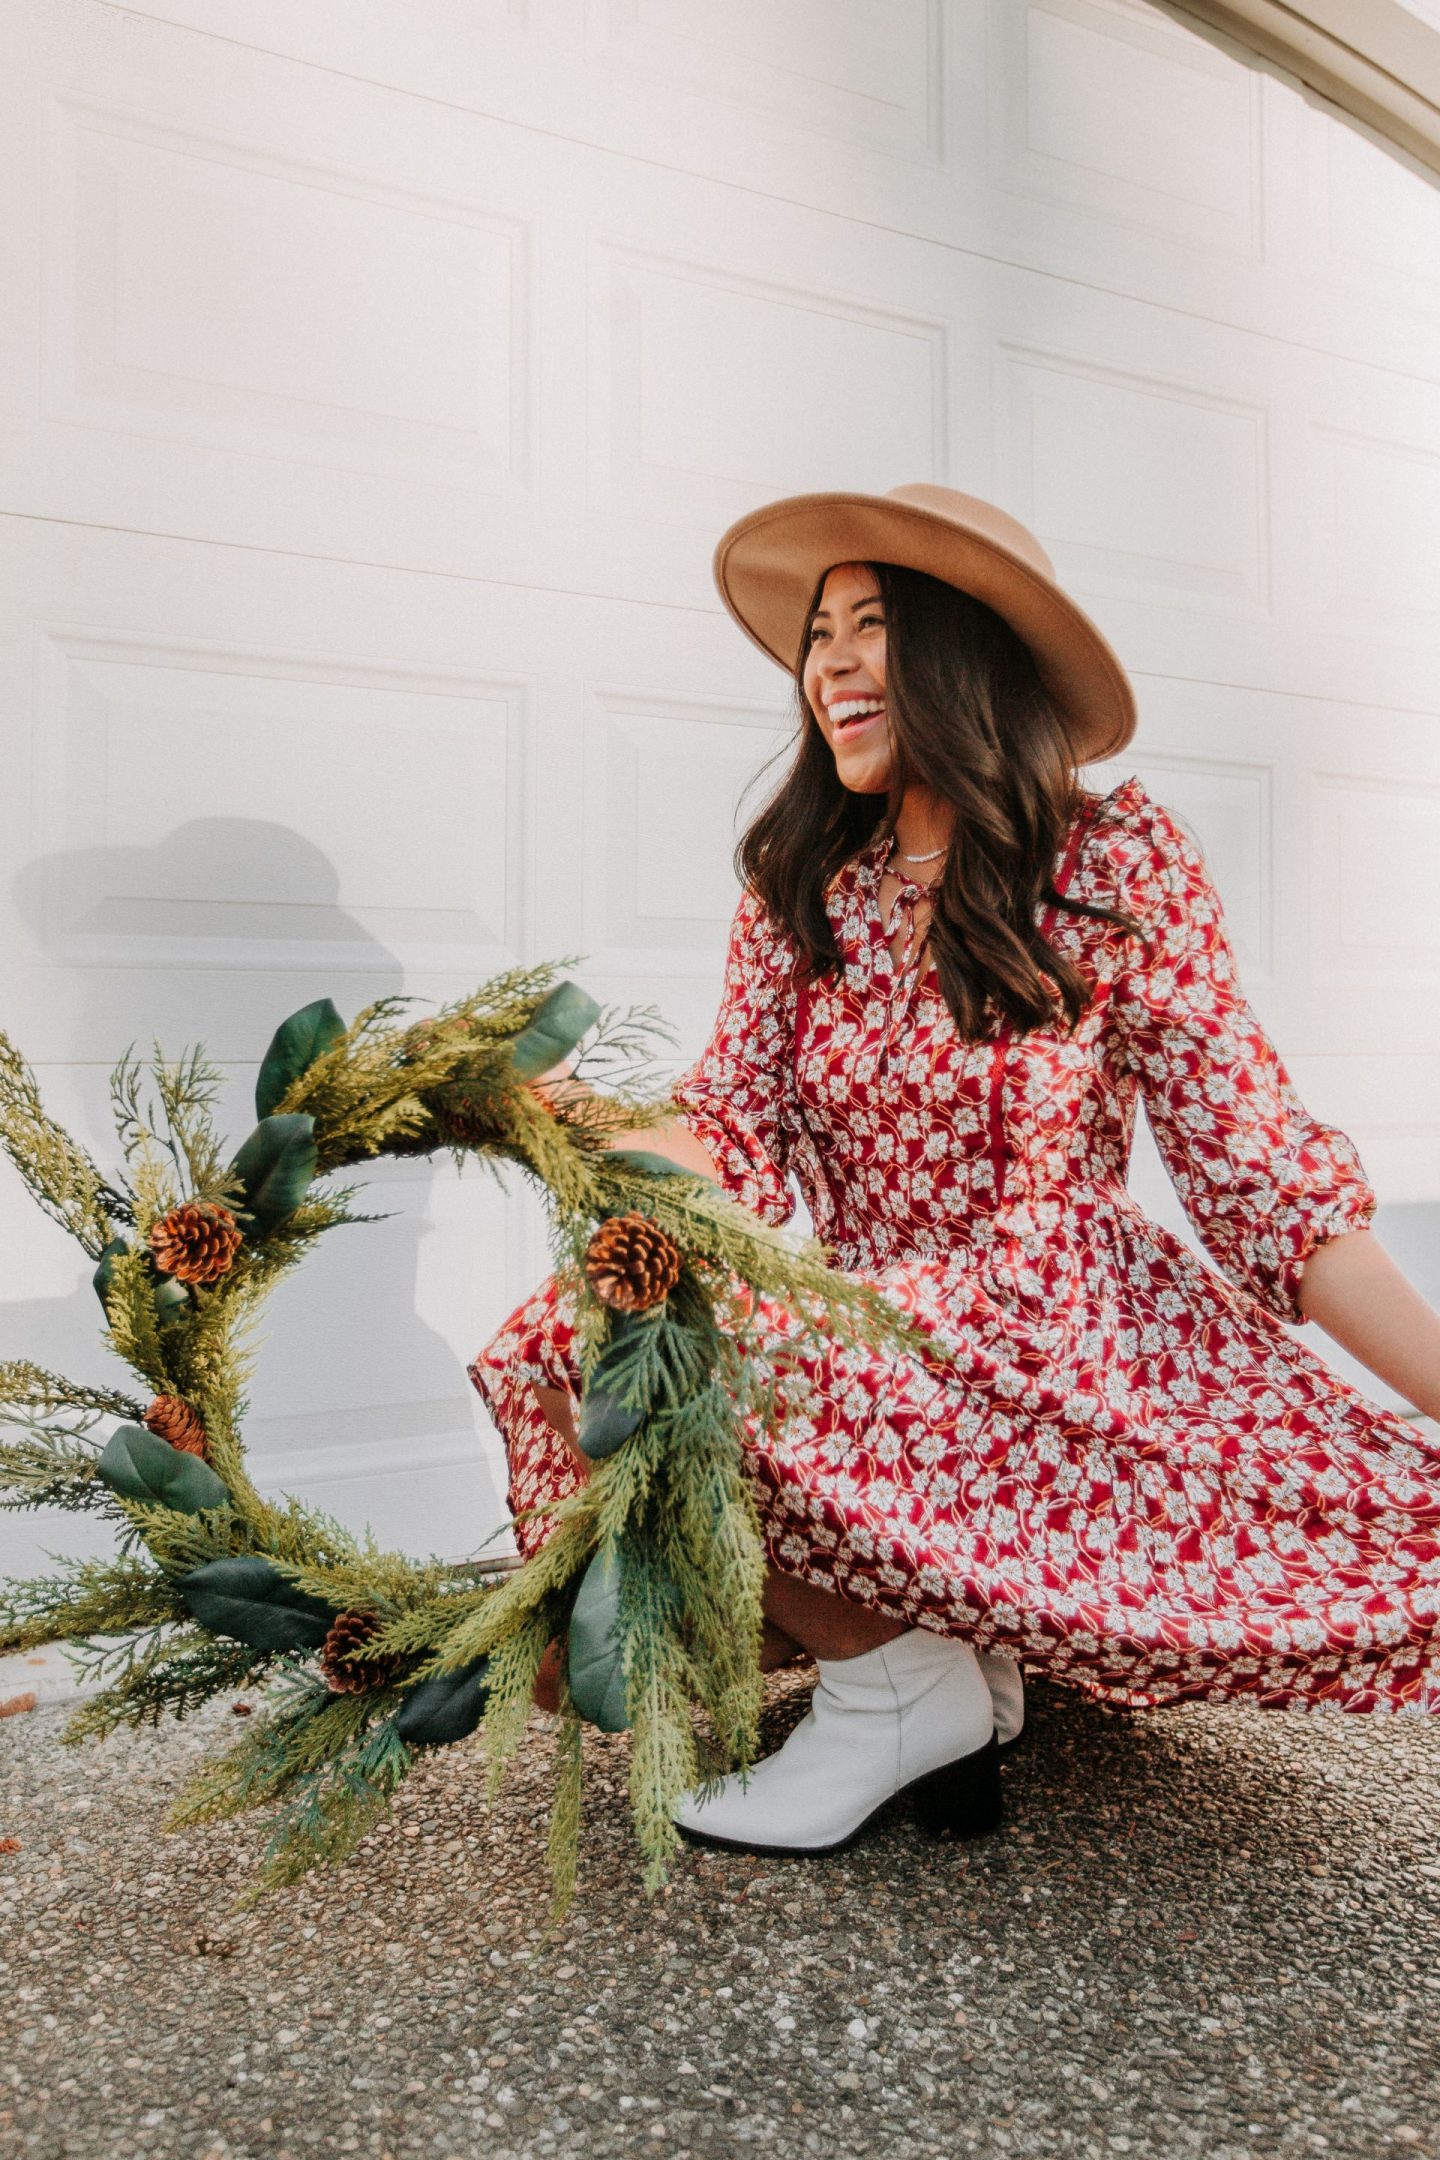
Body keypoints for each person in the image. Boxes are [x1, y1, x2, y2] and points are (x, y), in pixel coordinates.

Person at [471, 482, 1440, 1857]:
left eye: (874, 626)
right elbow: (732, 1136)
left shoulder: (1113, 863)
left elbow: (1266, 1176)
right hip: (884, 1322)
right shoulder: (804, 883)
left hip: (1061, 1335)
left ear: (965, 653)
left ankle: (902, 1695)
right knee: (595, 1335)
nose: (831, 664)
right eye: (819, 633)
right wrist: (569, 1114)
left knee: (705, 1362)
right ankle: (929, 1664)